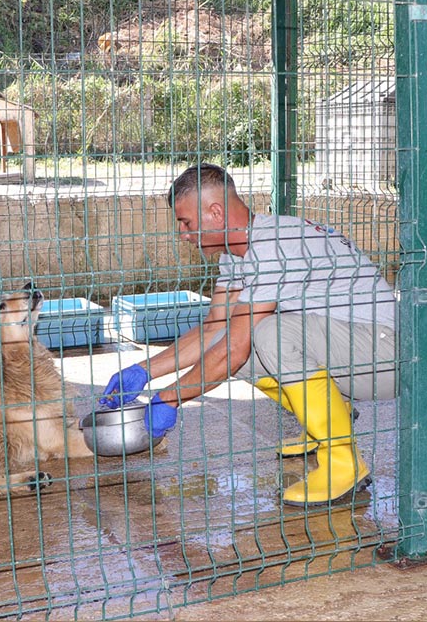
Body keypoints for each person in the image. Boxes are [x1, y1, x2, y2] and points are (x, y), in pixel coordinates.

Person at [99, 163, 397, 507]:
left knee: (270, 334)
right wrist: (144, 371)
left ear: (215, 213)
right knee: (244, 342)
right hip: (352, 350)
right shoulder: (237, 255)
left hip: (385, 356)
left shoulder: (274, 245)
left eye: (186, 223)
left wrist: (169, 398)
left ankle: (343, 463)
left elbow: (233, 349)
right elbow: (215, 329)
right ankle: (326, 426)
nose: (182, 234)